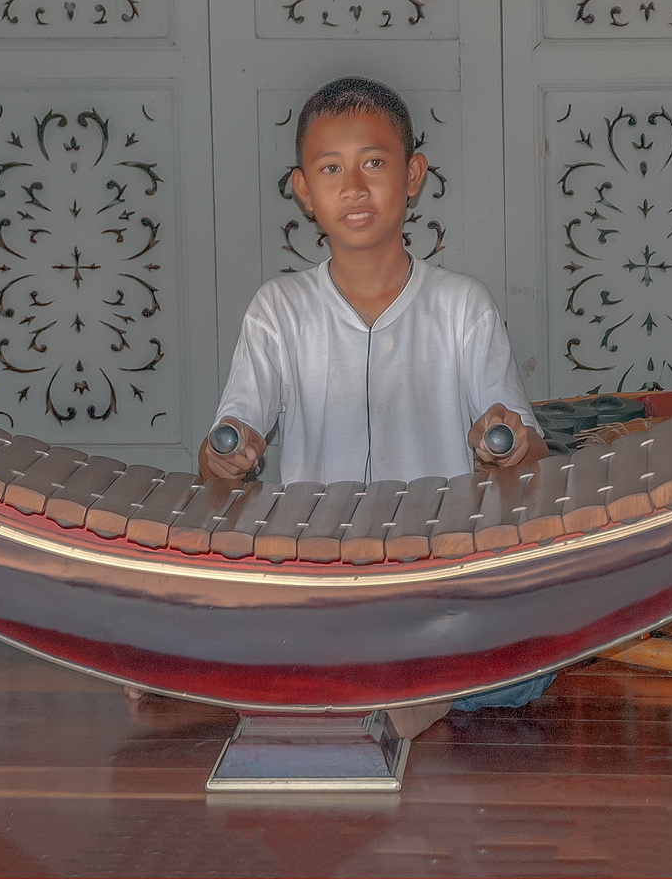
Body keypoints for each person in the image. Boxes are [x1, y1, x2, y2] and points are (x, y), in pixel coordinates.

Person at [197, 77, 549, 710]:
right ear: (303, 190)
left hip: (435, 578)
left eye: (374, 164)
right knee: (209, 612)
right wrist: (226, 455)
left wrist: (509, 445)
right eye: (330, 168)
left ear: (412, 175)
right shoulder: (279, 308)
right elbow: (222, 455)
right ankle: (408, 692)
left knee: (535, 663)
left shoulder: (460, 305)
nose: (353, 187)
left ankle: (370, 687)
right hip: (317, 579)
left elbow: (529, 457)